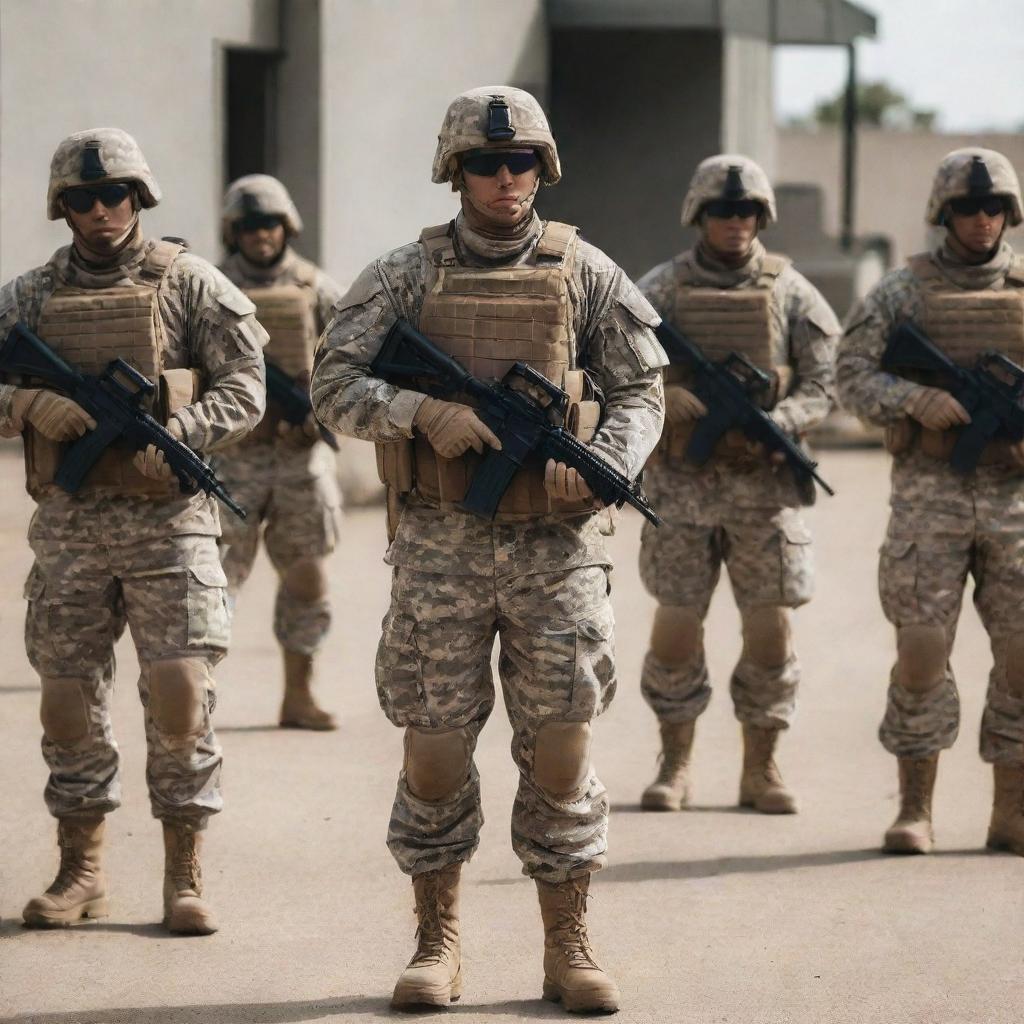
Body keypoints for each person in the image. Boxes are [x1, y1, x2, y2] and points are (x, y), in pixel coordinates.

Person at [311, 86, 665, 1013]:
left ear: (542, 170)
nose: (504, 180)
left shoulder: (585, 271)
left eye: (519, 164)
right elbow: (332, 384)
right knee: (433, 752)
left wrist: (604, 465)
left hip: (559, 553)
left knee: (559, 752)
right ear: (454, 172)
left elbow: (642, 393)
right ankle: (437, 941)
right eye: (484, 164)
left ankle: (567, 944)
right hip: (440, 550)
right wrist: (420, 410)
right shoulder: (401, 276)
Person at [0, 128, 266, 932]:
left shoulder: (188, 284)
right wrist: (23, 405)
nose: (102, 209)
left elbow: (248, 386)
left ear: (140, 197)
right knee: (70, 701)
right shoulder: (27, 296)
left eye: (115, 193)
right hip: (72, 528)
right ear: (61, 206)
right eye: (82, 198)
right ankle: (82, 870)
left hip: (170, 526)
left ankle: (184, 874)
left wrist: (184, 433)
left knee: (182, 698)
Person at [635, 155, 840, 815]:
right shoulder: (660, 289)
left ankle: (762, 769)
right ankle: (675, 765)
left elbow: (826, 381)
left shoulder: (791, 292)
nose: (735, 222)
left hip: (764, 493)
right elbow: (612, 367)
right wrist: (665, 395)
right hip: (681, 488)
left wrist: (784, 419)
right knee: (674, 631)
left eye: (747, 211)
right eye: (723, 211)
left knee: (771, 634)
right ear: (700, 215)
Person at [837, 147, 1024, 856]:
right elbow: (849, 373)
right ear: (943, 214)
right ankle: (915, 809)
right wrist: (914, 397)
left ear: (1010, 214)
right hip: (928, 497)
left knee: (1021, 657)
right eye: (967, 208)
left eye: (994, 207)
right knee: (920, 654)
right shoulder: (901, 293)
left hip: (1015, 503)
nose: (981, 220)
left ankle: (1010, 811)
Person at [217, 174, 342, 730]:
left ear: (285, 225)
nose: (260, 235)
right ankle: (196, 701)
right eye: (248, 225)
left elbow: (352, 363)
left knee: (308, 580)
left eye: (268, 223)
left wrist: (322, 414)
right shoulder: (209, 288)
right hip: (229, 459)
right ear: (232, 232)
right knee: (211, 583)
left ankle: (299, 694)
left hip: (301, 458)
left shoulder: (318, 288)